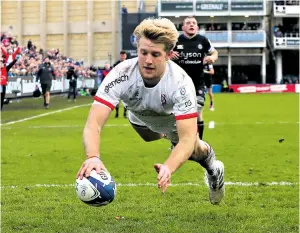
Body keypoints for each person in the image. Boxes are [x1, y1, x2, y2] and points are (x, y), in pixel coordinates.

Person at [76, 17, 225, 205]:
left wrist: (168, 167)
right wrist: (92, 157)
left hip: (171, 121)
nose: (147, 61)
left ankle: (214, 170)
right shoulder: (121, 73)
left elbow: (186, 139)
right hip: (139, 117)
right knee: (150, 137)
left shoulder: (181, 83)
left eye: (155, 54)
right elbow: (93, 123)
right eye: (143, 52)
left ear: (169, 54)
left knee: (193, 150)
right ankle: (173, 143)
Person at [170, 16, 218, 140]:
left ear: (197, 27)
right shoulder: (175, 41)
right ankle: (178, 141)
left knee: (197, 110)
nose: (191, 25)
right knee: (179, 114)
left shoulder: (203, 40)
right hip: (179, 83)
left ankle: (199, 142)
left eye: (194, 23)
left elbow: (214, 52)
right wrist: (168, 54)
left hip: (198, 82)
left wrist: (212, 58)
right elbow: (162, 54)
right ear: (183, 27)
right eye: (188, 23)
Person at [113, 50, 128, 118]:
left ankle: (125, 113)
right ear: (120, 56)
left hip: (126, 84)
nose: (122, 57)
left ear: (125, 56)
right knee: (117, 100)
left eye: (123, 55)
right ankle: (117, 113)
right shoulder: (116, 64)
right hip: (118, 84)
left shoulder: (128, 63)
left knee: (125, 100)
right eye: (121, 55)